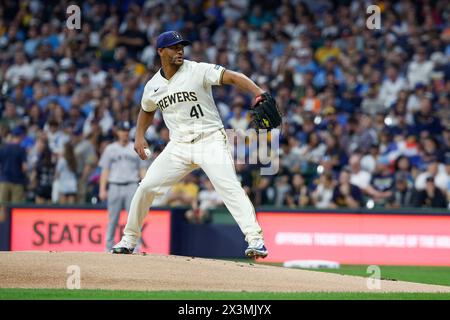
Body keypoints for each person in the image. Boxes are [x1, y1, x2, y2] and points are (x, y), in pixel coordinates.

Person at [112, 31, 269, 258]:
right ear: (160, 51)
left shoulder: (197, 70)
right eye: (174, 47)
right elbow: (146, 110)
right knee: (146, 187)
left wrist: (258, 92)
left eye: (181, 46)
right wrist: (139, 135)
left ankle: (255, 239)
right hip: (178, 146)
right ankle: (129, 239)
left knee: (229, 187)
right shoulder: (153, 86)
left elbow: (234, 77)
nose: (179, 51)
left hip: (210, 139)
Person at [99, 121, 148, 252]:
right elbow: (105, 170)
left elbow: (142, 169)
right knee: (112, 219)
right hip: (114, 185)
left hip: (131, 185)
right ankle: (108, 246)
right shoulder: (110, 148)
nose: (124, 133)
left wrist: (145, 186)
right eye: (122, 130)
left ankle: (136, 247)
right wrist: (102, 189)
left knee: (134, 217)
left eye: (126, 131)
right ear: (117, 132)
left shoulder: (135, 146)